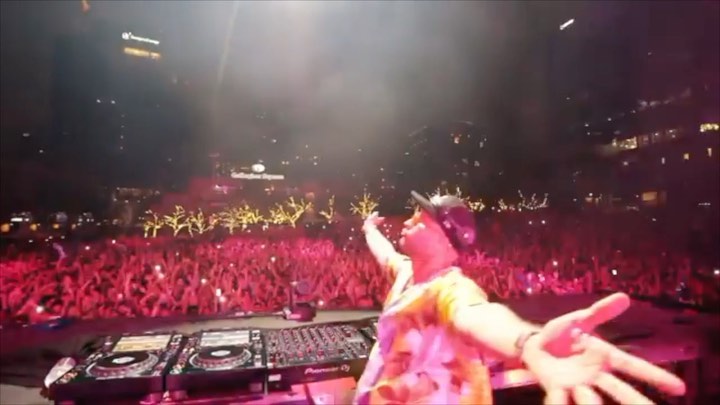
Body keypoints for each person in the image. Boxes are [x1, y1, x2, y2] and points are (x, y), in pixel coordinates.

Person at [354, 191, 686, 404]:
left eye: (422, 220)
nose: (409, 221)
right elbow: (385, 254)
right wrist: (369, 229)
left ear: (446, 242)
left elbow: (477, 315)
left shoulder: (451, 290)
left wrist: (527, 342)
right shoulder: (407, 273)